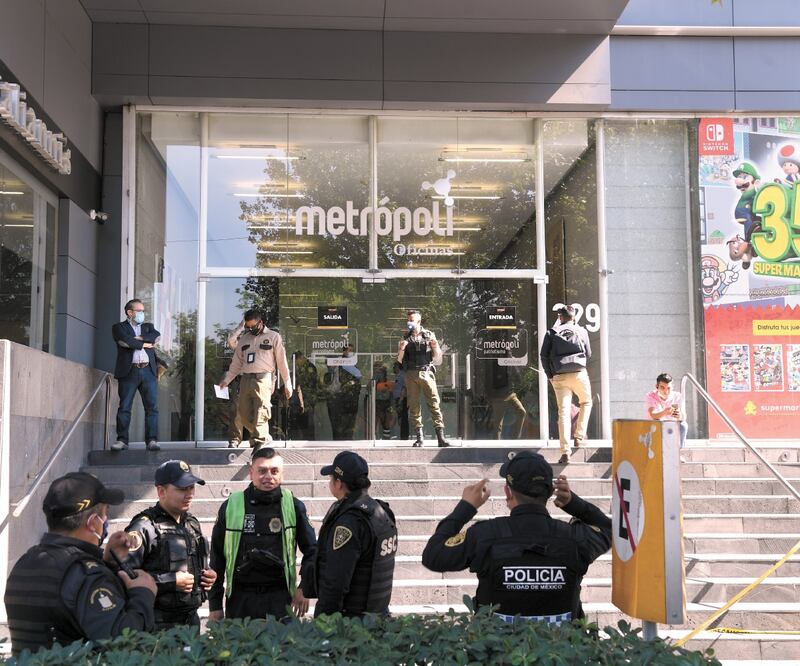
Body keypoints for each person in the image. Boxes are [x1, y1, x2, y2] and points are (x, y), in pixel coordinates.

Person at [421, 451, 611, 624]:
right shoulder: (575, 538)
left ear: (508, 492)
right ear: (551, 492)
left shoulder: (485, 534)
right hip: (562, 653)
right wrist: (573, 503)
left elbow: (433, 556)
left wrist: (466, 507)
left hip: (496, 655)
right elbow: (610, 530)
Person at [5, 473, 156, 657]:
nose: (106, 520)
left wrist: (107, 563)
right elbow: (126, 647)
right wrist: (143, 593)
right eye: (106, 512)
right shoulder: (87, 575)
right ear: (93, 522)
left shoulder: (25, 563)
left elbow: (67, 616)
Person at [208, 447, 316, 621]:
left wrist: (304, 587)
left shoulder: (294, 506)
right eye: (262, 471)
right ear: (251, 473)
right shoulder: (231, 506)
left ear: (282, 474)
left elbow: (312, 551)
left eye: (274, 471)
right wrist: (214, 605)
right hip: (241, 599)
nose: (268, 476)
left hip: (280, 598)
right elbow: (217, 559)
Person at [122, 460, 216, 630]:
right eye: (181, 489)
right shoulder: (144, 526)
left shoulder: (192, 523)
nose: (189, 494)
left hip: (190, 623)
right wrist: (169, 581)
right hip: (156, 627)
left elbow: (198, 566)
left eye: (191, 488)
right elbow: (124, 576)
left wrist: (207, 576)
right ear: (161, 491)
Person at [314, 451, 398, 617]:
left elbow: (336, 582)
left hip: (352, 624)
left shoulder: (350, 522)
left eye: (331, 478)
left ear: (338, 483)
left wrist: (324, 621)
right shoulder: (382, 511)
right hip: (379, 616)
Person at [218, 309, 292, 450]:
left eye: (253, 326)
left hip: (264, 379)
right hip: (246, 379)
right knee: (243, 413)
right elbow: (236, 363)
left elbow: (282, 362)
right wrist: (226, 380)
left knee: (261, 410)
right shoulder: (244, 339)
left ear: (261, 322)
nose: (251, 329)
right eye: (248, 327)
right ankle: (264, 436)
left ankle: (259, 442)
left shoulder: (273, 337)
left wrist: (287, 382)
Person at [539, 305, 592, 464]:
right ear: (574, 317)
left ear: (560, 317)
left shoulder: (551, 333)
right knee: (586, 402)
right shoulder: (582, 331)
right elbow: (588, 353)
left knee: (563, 413)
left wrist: (550, 375)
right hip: (579, 374)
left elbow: (543, 356)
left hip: (559, 376)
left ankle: (565, 453)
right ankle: (579, 436)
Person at [111, 298, 161, 451]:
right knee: (125, 407)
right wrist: (145, 344)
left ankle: (151, 440)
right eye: (139, 311)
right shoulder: (118, 327)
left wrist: (138, 340)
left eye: (142, 311)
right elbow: (124, 342)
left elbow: (156, 337)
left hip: (148, 371)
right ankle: (122, 441)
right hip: (129, 372)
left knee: (152, 408)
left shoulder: (148, 327)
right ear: (129, 312)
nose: (142, 314)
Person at [397, 309, 449, 447]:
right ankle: (419, 438)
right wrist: (402, 349)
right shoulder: (405, 337)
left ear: (418, 321)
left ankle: (441, 438)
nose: (409, 322)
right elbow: (400, 360)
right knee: (414, 406)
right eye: (408, 320)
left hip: (426, 372)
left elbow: (437, 357)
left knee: (434, 403)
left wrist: (435, 346)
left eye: (411, 320)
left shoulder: (429, 335)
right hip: (411, 374)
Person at [323, 345, 362, 440]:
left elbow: (357, 383)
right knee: (336, 430)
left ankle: (347, 449)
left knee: (347, 430)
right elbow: (327, 387)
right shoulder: (330, 373)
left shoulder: (350, 368)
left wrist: (345, 388)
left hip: (348, 404)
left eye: (351, 351)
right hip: (334, 404)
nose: (328, 365)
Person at [646, 372, 688, 457]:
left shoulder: (678, 396)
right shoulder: (651, 396)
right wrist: (665, 412)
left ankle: (677, 453)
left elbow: (684, 416)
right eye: (662, 388)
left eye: (669, 388)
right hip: (658, 425)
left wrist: (680, 416)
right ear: (657, 387)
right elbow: (653, 415)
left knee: (683, 425)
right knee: (656, 423)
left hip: (672, 425)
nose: (666, 391)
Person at [225, 319, 246, 448]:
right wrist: (241, 327)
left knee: (258, 411)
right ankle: (235, 438)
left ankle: (258, 439)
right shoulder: (242, 346)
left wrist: (273, 381)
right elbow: (231, 341)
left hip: (259, 380)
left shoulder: (264, 340)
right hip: (241, 380)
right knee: (236, 410)